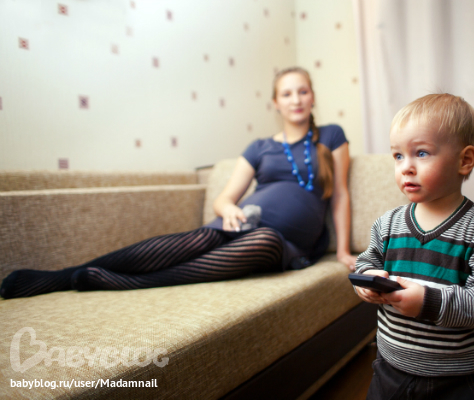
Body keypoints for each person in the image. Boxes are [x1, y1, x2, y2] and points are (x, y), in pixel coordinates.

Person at [1, 67, 356, 300]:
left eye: (302, 92)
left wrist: (342, 251)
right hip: (243, 222)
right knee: (202, 237)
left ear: (312, 96)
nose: (296, 100)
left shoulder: (331, 136)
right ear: (276, 103)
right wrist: (229, 210)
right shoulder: (259, 147)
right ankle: (62, 277)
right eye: (287, 94)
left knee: (264, 240)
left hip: (287, 242)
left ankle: (125, 282)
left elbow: (340, 195)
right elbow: (223, 200)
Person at [353, 94, 474, 399]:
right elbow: (366, 262)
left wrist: (430, 303)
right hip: (390, 368)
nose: (406, 167)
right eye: (398, 156)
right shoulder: (387, 225)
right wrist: (367, 281)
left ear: (464, 160)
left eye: (421, 153)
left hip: (456, 377)